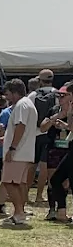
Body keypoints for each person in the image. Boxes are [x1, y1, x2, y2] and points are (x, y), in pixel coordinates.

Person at [0, 79, 38, 228]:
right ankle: (20, 212)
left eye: (8, 94)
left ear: (15, 92)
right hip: (24, 152)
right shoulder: (28, 104)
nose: (6, 97)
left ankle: (19, 213)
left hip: (18, 153)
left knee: (9, 182)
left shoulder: (21, 104)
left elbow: (21, 126)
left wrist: (12, 148)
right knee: (19, 183)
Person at [44, 85, 73, 221]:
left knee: (67, 181)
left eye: (64, 95)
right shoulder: (56, 110)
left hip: (69, 148)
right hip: (63, 148)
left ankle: (61, 211)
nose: (60, 98)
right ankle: (59, 211)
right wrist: (63, 122)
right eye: (59, 96)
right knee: (55, 179)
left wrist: (68, 118)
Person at [30, 69, 57, 204]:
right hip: (49, 133)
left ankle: (24, 194)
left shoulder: (33, 95)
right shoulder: (57, 94)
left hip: (34, 134)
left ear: (40, 81)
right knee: (45, 167)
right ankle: (39, 195)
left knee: (31, 165)